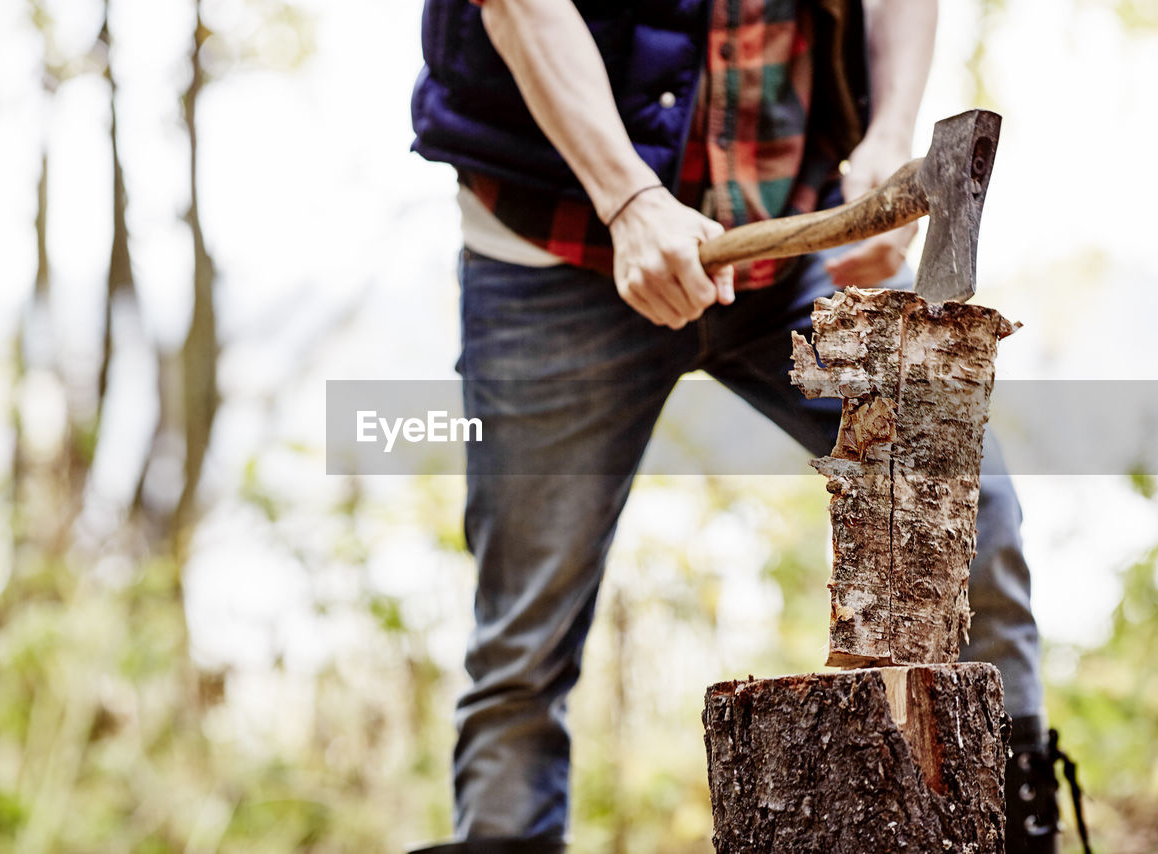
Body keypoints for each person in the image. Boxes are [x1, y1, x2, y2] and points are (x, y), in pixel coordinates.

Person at [408, 1, 1065, 852]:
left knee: (974, 515)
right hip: (557, 253)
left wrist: (883, 135)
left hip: (788, 249)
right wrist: (628, 197)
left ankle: (1022, 836)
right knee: (523, 640)